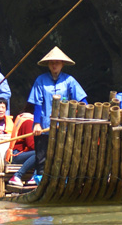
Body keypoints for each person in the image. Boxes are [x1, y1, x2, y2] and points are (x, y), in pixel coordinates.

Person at [27, 46, 87, 184]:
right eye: (52, 62)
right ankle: (41, 182)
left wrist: (83, 114)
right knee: (41, 157)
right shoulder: (40, 80)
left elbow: (82, 100)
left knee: (65, 155)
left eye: (57, 62)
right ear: (48, 64)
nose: (54, 65)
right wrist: (36, 123)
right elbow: (37, 103)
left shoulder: (69, 80)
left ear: (62, 64)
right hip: (44, 126)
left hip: (64, 127)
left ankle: (64, 182)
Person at [6, 111, 36, 187]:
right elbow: (31, 145)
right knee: (40, 153)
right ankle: (17, 176)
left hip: (26, 154)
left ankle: (36, 176)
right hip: (16, 155)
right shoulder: (28, 122)